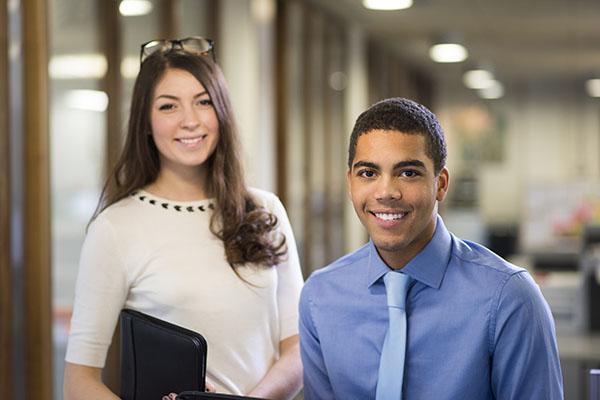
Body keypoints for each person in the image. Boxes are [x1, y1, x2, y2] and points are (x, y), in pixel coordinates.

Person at [63, 36, 304, 400]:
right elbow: (79, 381)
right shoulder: (115, 228)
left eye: (203, 102)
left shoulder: (265, 209)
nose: (190, 121)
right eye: (168, 106)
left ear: (221, 111)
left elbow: (298, 347)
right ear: (145, 122)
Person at [299, 97, 563, 399]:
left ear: (441, 183)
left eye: (408, 172)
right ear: (350, 183)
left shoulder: (509, 299)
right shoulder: (320, 297)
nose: (386, 192)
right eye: (368, 173)